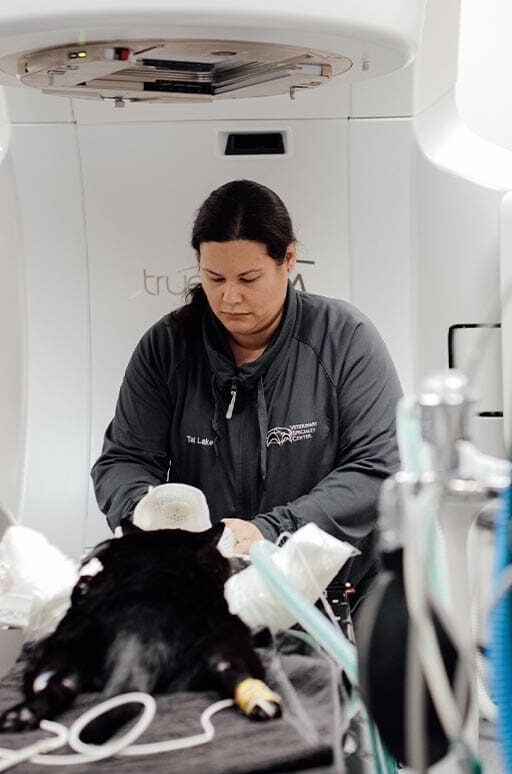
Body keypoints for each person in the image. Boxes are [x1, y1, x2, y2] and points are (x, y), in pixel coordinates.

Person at [91, 179, 403, 592]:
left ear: (288, 259)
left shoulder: (344, 339)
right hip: (207, 589)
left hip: (328, 589)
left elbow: (377, 469)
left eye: (248, 278)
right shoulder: (166, 348)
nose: (229, 298)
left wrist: (272, 532)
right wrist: (148, 509)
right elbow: (123, 460)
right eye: (214, 278)